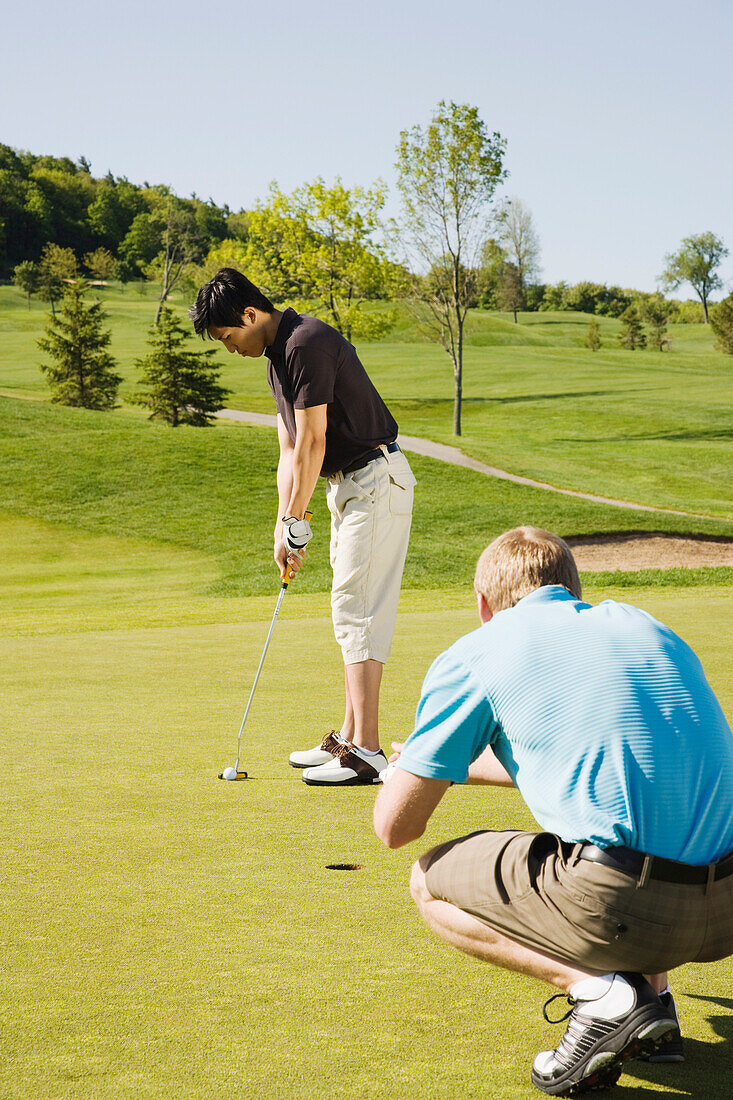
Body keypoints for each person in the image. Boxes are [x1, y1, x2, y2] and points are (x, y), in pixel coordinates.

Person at [373, 526, 733, 1096]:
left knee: (428, 879)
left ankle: (605, 996)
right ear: (574, 586)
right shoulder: (644, 624)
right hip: (723, 914)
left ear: (483, 604)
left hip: (632, 905)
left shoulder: (477, 652)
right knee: (637, 821)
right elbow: (576, 757)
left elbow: (395, 827)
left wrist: (409, 769)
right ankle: (656, 1013)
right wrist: (452, 765)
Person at [190, 268, 415, 786]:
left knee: (355, 608)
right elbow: (289, 448)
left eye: (228, 338)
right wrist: (283, 522)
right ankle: (349, 733)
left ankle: (368, 751)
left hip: (376, 479)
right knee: (348, 606)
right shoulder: (277, 359)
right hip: (348, 487)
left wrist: (297, 516)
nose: (230, 348)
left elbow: (314, 440)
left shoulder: (306, 342)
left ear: (250, 315)